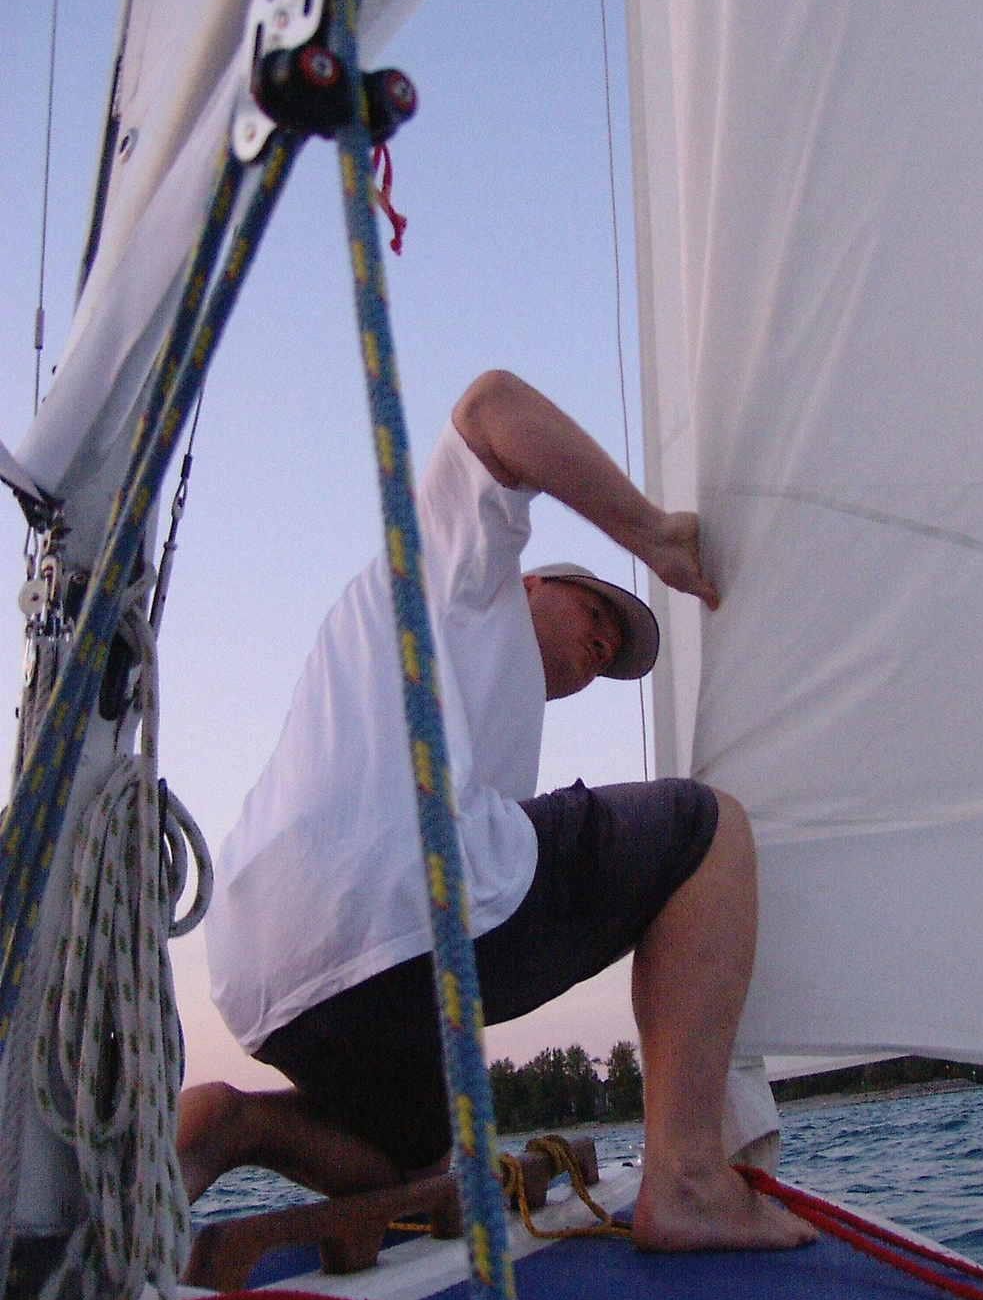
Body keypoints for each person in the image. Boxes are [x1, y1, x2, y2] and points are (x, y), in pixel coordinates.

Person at [178, 369, 813, 1252]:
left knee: (414, 1164)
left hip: (266, 974)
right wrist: (651, 535)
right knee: (708, 832)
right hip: (390, 901)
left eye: (614, 652)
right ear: (529, 582)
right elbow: (492, 408)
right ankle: (690, 1179)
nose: (603, 644)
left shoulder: (459, 704)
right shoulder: (461, 568)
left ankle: (229, 1126)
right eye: (596, 609)